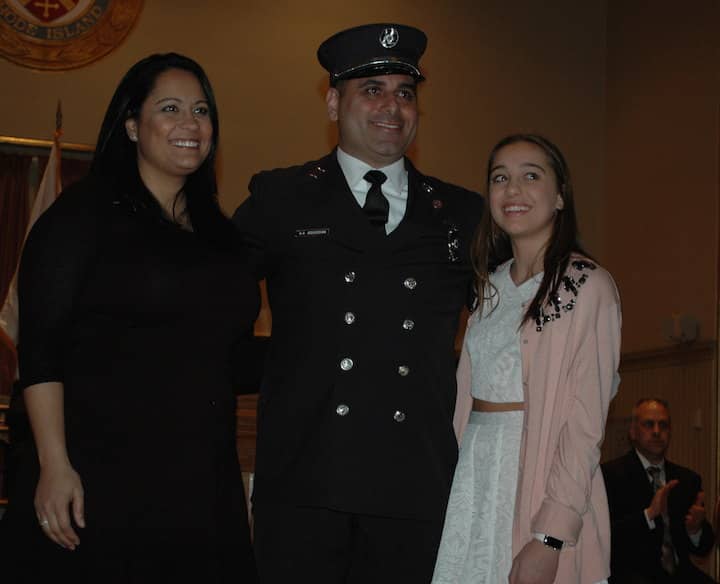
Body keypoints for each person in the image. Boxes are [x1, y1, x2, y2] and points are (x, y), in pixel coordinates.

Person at [232, 23, 483, 584]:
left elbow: (512, 322)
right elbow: (211, 302)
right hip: (306, 482)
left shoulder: (462, 214)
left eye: (404, 91)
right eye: (372, 89)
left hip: (412, 485)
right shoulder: (282, 199)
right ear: (332, 102)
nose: (391, 106)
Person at [0, 53, 259, 583]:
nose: (191, 124)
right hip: (97, 475)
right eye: (170, 108)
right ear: (132, 125)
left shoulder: (222, 235)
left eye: (202, 110)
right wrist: (54, 466)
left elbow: (226, 355)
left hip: (199, 478)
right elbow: (41, 349)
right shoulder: (80, 216)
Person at [433, 134, 621, 584]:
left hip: (536, 486)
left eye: (530, 176)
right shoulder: (488, 286)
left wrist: (549, 537)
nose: (513, 189)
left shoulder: (588, 286)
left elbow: (584, 426)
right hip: (473, 484)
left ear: (559, 196)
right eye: (501, 178)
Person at [602, 398, 716, 583]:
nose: (657, 431)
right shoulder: (610, 475)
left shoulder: (687, 480)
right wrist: (648, 515)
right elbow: (606, 536)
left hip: (680, 575)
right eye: (649, 424)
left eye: (663, 425)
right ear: (633, 432)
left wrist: (695, 530)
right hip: (631, 574)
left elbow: (703, 548)